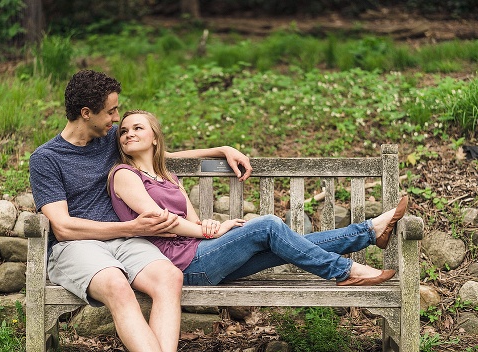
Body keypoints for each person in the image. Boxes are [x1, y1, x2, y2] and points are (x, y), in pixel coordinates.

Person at [29, 69, 252, 352]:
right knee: (117, 286)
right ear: (86, 112)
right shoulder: (46, 159)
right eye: (111, 111)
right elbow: (63, 227)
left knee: (170, 278)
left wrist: (222, 150)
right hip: (77, 246)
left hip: (126, 243)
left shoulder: (111, 139)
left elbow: (161, 156)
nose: (115, 119)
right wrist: (132, 228)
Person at [108, 110, 409, 288]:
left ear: (155, 137)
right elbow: (161, 222)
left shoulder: (168, 175)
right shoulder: (124, 174)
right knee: (267, 226)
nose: (128, 134)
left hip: (202, 253)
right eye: (123, 131)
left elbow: (192, 221)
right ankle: (345, 271)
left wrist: (209, 224)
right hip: (179, 267)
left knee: (285, 246)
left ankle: (369, 232)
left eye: (138, 128)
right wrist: (209, 231)